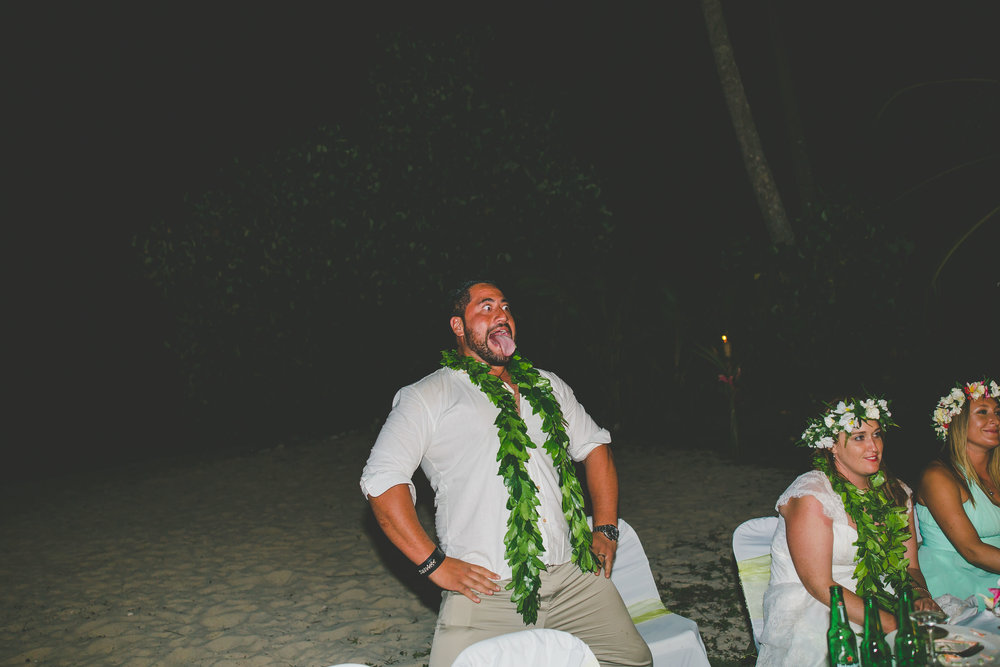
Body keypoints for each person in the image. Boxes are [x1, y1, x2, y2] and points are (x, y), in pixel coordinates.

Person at [360, 280, 652, 667]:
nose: (501, 314)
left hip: (572, 576)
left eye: (505, 306)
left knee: (632, 660)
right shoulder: (429, 395)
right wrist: (434, 564)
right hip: (489, 589)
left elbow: (596, 448)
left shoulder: (547, 386)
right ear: (458, 327)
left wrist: (606, 528)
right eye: (485, 307)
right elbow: (381, 482)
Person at [757, 397, 940, 667]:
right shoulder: (812, 495)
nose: (873, 446)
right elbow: (819, 584)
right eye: (859, 437)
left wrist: (920, 595)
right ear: (831, 445)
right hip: (820, 606)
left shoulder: (897, 492)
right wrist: (889, 624)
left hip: (883, 593)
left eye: (877, 435)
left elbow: (910, 568)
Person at [915, 378, 1000, 604]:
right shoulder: (938, 476)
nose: (995, 420)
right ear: (956, 421)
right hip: (956, 586)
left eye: (997, 412)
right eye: (983, 412)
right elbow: (972, 550)